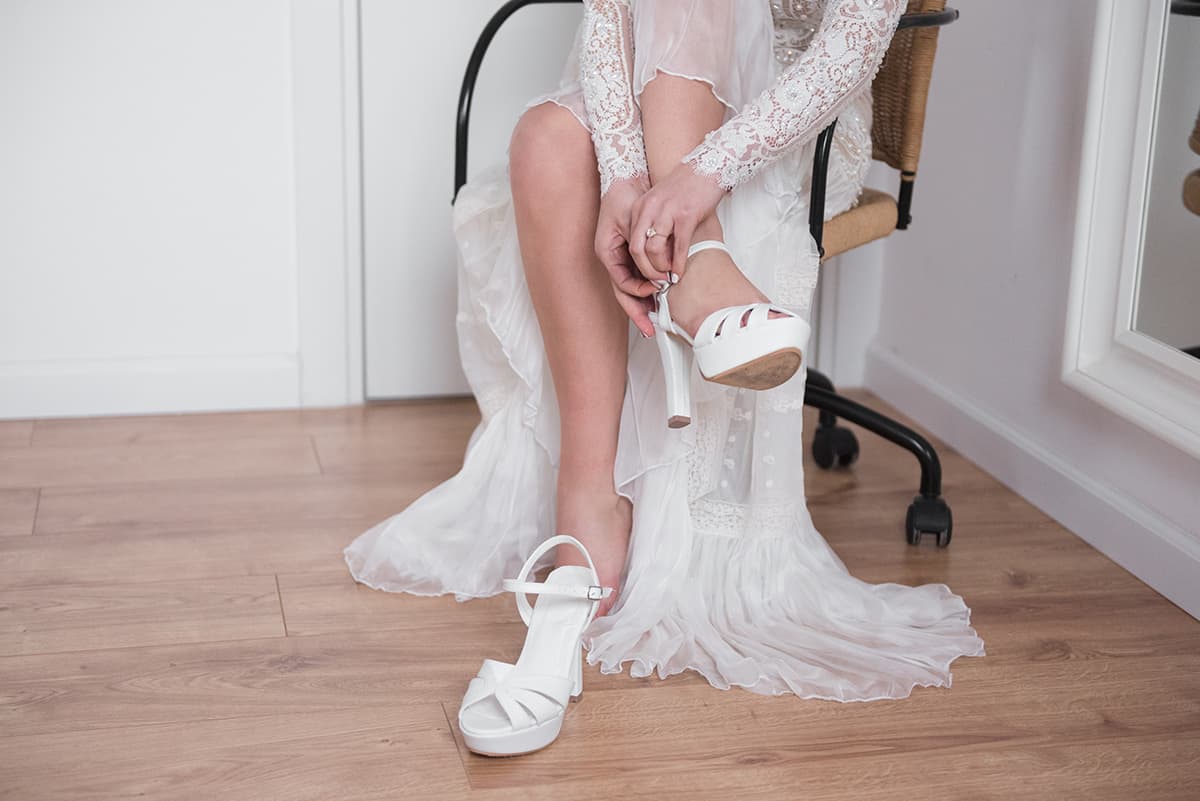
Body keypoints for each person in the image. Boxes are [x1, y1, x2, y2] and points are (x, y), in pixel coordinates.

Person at [344, 0, 985, 700]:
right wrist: (623, 179)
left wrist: (701, 176)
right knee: (546, 142)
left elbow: (851, 47)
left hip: (789, 117)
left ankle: (697, 253)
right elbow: (610, 13)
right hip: (644, 94)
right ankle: (592, 490)